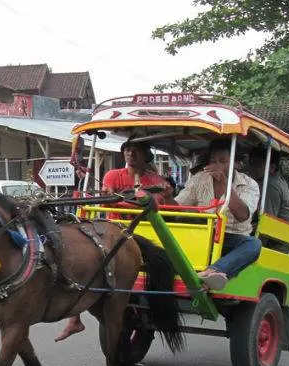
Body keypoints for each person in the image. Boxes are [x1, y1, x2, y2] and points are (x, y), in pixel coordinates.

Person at [56, 136, 171, 342]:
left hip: (146, 229)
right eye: (127, 149)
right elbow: (109, 196)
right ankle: (74, 319)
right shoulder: (112, 175)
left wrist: (131, 199)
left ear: (146, 155)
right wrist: (114, 197)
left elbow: (153, 203)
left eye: (136, 150)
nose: (130, 153)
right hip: (113, 229)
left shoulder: (156, 180)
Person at [176, 139, 262, 291]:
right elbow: (178, 207)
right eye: (213, 160)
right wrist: (166, 196)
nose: (217, 165)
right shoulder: (199, 179)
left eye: (222, 161)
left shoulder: (249, 184)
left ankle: (214, 271)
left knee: (254, 245)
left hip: (231, 238)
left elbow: (242, 215)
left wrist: (223, 183)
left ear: (235, 163)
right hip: (202, 235)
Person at [248, 148, 289, 223]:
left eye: (257, 164)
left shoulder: (269, 185)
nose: (251, 168)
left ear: (272, 168)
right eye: (250, 163)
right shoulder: (278, 179)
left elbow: (265, 222)